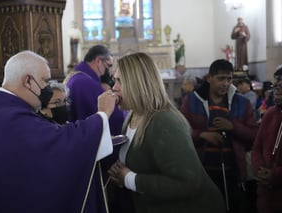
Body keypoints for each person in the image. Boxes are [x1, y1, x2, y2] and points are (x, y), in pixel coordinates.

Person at [0, 50, 119, 212]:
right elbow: (60, 144)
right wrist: (102, 115)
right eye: (45, 81)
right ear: (28, 81)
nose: (48, 89)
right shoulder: (9, 118)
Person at [108, 52, 226, 213]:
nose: (114, 87)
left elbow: (187, 183)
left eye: (119, 81)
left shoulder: (164, 121)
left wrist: (129, 179)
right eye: (114, 80)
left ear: (137, 83)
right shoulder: (133, 115)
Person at [181, 59, 258, 213]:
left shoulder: (242, 103)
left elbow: (254, 135)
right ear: (209, 78)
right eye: (221, 78)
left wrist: (233, 127)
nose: (226, 83)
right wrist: (202, 134)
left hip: (233, 173)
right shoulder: (191, 101)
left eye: (229, 79)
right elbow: (180, 132)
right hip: (201, 171)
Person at [65, 44, 124, 135]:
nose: (107, 71)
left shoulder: (78, 76)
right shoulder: (85, 83)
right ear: (98, 61)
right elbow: (114, 116)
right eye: (108, 66)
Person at [251, 65, 282, 213]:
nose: (276, 89)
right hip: (266, 198)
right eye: (276, 85)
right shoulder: (270, 114)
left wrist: (275, 175)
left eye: (281, 85)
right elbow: (256, 148)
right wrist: (260, 170)